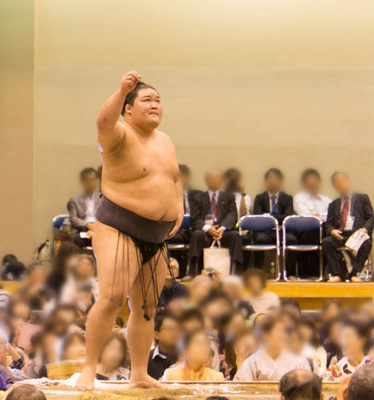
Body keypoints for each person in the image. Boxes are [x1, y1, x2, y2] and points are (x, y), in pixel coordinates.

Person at [76, 72, 184, 390]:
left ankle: (139, 373)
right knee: (112, 298)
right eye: (146, 100)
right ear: (128, 109)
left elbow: (174, 177)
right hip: (119, 227)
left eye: (158, 100)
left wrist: (178, 206)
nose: (155, 105)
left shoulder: (165, 141)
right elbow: (102, 121)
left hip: (156, 235)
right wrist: (122, 89)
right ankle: (88, 369)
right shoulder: (118, 135)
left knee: (147, 308)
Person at [188, 169, 243, 277]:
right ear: (206, 180)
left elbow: (232, 215)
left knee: (235, 236)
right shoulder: (198, 198)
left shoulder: (229, 197)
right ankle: (192, 271)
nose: (214, 181)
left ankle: (237, 272)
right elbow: (195, 218)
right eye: (211, 178)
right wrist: (208, 228)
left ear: (221, 180)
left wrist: (222, 228)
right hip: (205, 232)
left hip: (223, 232)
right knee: (196, 234)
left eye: (217, 178)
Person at [323, 172, 374, 282]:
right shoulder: (333, 204)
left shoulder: (362, 198)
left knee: (367, 242)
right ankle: (339, 274)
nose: (341, 185)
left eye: (343, 181)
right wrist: (332, 231)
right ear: (335, 187)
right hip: (341, 234)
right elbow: (328, 225)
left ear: (348, 181)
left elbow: (371, 218)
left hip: (357, 234)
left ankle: (354, 274)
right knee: (326, 242)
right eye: (338, 183)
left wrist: (365, 229)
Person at [234, 314, 310, 381]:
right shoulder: (253, 361)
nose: (283, 335)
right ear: (265, 335)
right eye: (279, 331)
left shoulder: (299, 359)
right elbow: (241, 387)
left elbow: (307, 386)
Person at [252, 168, 296, 269]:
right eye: (270, 179)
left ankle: (289, 272)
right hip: (264, 231)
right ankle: (258, 270)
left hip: (281, 231)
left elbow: (288, 217)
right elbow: (258, 217)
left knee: (292, 240)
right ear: (266, 181)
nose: (273, 181)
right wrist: (274, 217)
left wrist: (268, 216)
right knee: (259, 239)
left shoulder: (287, 198)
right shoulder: (259, 198)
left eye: (276, 179)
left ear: (280, 181)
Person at [67, 167, 101, 248]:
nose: (91, 183)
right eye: (88, 180)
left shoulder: (102, 199)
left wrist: (95, 229)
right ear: (83, 182)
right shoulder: (74, 201)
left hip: (98, 229)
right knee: (74, 238)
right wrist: (87, 225)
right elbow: (74, 219)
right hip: (82, 230)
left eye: (93, 179)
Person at [148, 312, 180, 380]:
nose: (175, 332)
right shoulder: (147, 360)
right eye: (169, 329)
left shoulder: (186, 357)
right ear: (156, 335)